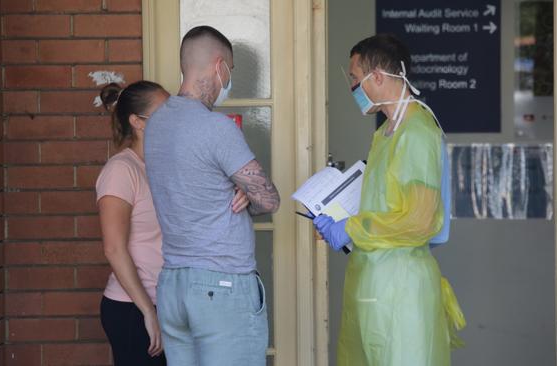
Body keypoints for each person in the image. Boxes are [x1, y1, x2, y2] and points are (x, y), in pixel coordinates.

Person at [313, 34, 465, 365]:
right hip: (373, 281)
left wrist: (351, 227)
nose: (352, 87)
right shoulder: (384, 136)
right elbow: (383, 206)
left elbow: (420, 220)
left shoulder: (418, 132)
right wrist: (338, 221)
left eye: (354, 78)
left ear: (378, 77)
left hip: (403, 288)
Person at [144, 25, 280, 366]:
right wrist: (248, 193)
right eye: (230, 71)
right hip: (222, 286)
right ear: (219, 66)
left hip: (173, 284)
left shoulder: (157, 124)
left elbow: (192, 180)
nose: (229, 80)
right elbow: (268, 200)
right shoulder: (217, 128)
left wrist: (236, 187)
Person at [96, 81, 250, 366]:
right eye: (164, 112)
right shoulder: (121, 170)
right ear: (137, 122)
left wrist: (241, 192)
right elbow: (114, 249)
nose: (173, 119)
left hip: (174, 301)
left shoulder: (168, 165)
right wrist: (148, 313)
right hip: (135, 307)